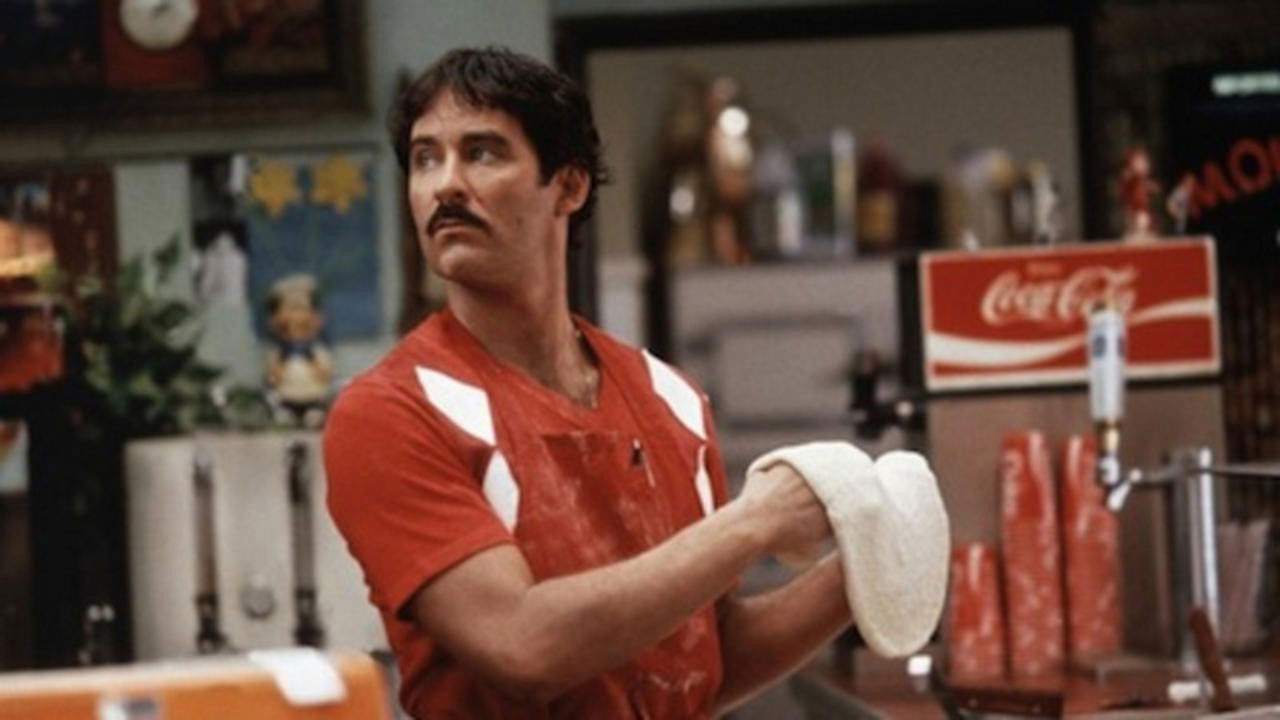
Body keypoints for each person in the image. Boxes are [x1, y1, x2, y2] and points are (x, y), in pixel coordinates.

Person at [324, 47, 851, 719]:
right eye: (426, 159)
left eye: (481, 153)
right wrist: (754, 524)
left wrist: (866, 573)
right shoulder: (389, 412)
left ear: (568, 187)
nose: (445, 185)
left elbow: (699, 655)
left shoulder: (671, 400)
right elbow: (521, 645)